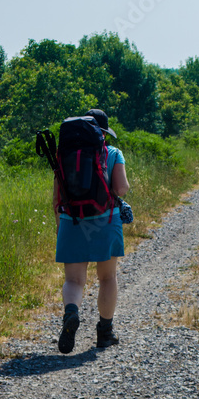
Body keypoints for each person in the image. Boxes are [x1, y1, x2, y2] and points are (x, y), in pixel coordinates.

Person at [56, 109, 130, 354]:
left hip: (71, 220)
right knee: (107, 277)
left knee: (74, 280)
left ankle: (71, 312)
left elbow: (57, 196)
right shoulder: (113, 153)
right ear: (103, 133)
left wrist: (60, 225)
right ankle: (105, 333)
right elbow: (120, 188)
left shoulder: (65, 154)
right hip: (104, 220)